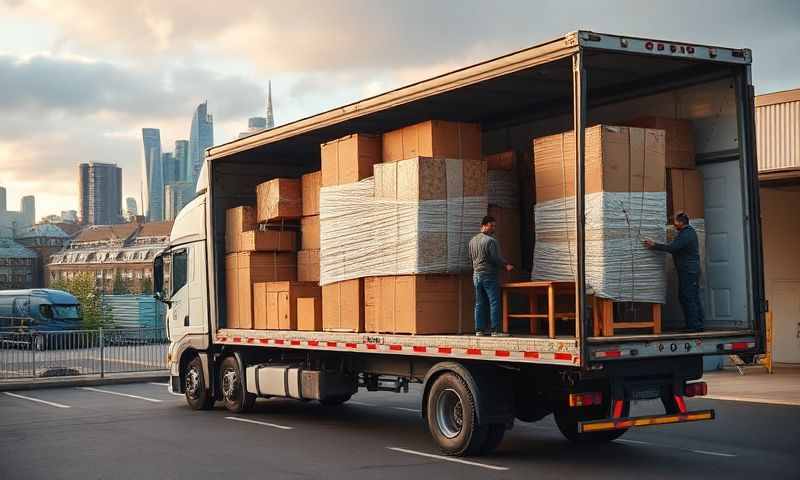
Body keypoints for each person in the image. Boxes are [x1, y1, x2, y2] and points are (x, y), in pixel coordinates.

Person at [643, 211, 704, 332]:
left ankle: (695, 326)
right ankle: (694, 324)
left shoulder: (687, 234)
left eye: (675, 222)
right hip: (688, 270)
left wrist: (654, 245)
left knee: (688, 297)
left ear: (681, 222)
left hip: (689, 271)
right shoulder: (685, 233)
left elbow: (672, 248)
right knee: (689, 296)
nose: (673, 224)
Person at [468, 215, 514, 336]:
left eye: (494, 226)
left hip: (476, 275)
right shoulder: (491, 241)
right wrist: (506, 265)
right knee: (494, 302)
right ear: (484, 225)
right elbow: (495, 258)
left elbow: (471, 258)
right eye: (491, 225)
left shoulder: (472, 241)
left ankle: (479, 330)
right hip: (489, 275)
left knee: (479, 303)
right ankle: (495, 330)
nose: (493, 228)